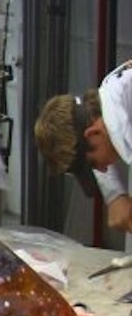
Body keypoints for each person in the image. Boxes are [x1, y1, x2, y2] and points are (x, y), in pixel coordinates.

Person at [34, 60, 132, 233]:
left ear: (93, 133)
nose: (103, 170)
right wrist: (115, 194)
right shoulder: (113, 91)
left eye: (94, 163)